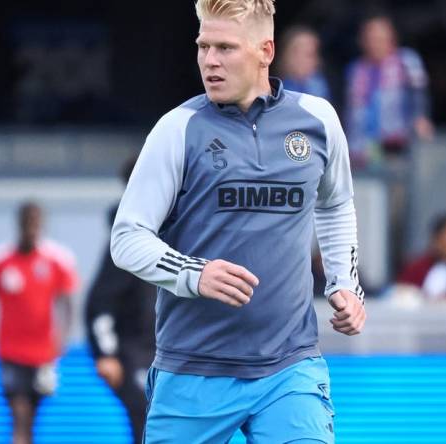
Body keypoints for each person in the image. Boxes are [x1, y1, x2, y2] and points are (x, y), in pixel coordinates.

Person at [110, 1, 366, 442]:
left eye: (225, 47)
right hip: (193, 370)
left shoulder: (318, 121)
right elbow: (127, 238)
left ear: (265, 50)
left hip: (291, 367)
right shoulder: (177, 129)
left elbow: (336, 203)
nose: (210, 60)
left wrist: (344, 281)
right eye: (203, 46)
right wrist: (195, 273)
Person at [0, 202, 79, 444]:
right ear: (18, 223)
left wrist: (62, 341)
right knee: (19, 413)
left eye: (36, 222)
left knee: (32, 416)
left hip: (43, 354)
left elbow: (68, 304)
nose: (31, 228)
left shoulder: (56, 260)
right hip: (10, 352)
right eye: (27, 222)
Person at [84, 156, 156, 444]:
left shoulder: (165, 233)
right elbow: (99, 303)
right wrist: (107, 354)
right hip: (133, 355)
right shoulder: (127, 241)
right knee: (149, 421)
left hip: (163, 351)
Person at [343, 13, 433, 168]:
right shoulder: (356, 69)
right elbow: (350, 111)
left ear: (392, 38)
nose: (375, 43)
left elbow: (420, 95)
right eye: (370, 38)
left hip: (397, 146)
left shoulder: (408, 60)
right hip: (362, 150)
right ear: (362, 41)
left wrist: (421, 118)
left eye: (380, 38)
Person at [277, 26, 331, 101]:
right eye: (310, 55)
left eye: (317, 54)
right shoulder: (279, 94)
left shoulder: (318, 85)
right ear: (291, 57)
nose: (317, 61)